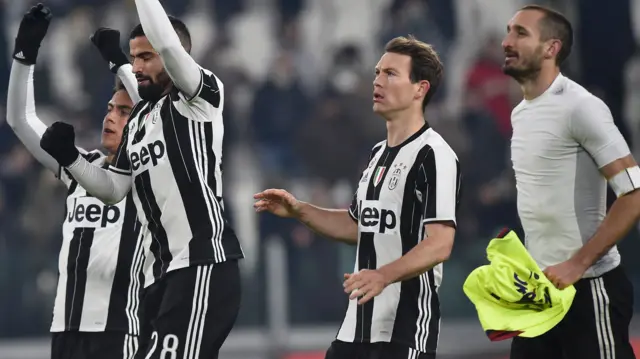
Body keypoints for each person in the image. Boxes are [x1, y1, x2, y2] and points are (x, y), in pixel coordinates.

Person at [38, 0, 244, 358]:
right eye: (133, 58)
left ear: (174, 54)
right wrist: (71, 159)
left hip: (203, 264)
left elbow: (165, 42)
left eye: (145, 57)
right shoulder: (139, 121)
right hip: (161, 278)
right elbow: (113, 189)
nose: (136, 66)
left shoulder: (200, 96)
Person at [254, 35, 462, 359]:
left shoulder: (434, 155)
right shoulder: (378, 153)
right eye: (377, 72)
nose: (377, 81)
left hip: (404, 331)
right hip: (357, 328)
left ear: (420, 89)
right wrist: (300, 210)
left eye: (390, 74)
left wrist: (382, 275)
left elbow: (439, 243)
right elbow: (357, 226)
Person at [7, 4, 144, 359]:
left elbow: (153, 111)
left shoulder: (152, 177)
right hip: (65, 330)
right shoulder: (80, 166)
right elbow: (20, 119)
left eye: (124, 111)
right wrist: (25, 55)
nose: (111, 116)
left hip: (120, 331)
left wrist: (119, 63)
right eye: (110, 108)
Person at [502, 5, 640, 359]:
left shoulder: (581, 107)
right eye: (508, 31)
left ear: (551, 48)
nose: (507, 42)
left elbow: (634, 193)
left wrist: (577, 263)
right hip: (538, 295)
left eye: (520, 33)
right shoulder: (521, 113)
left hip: (590, 289)